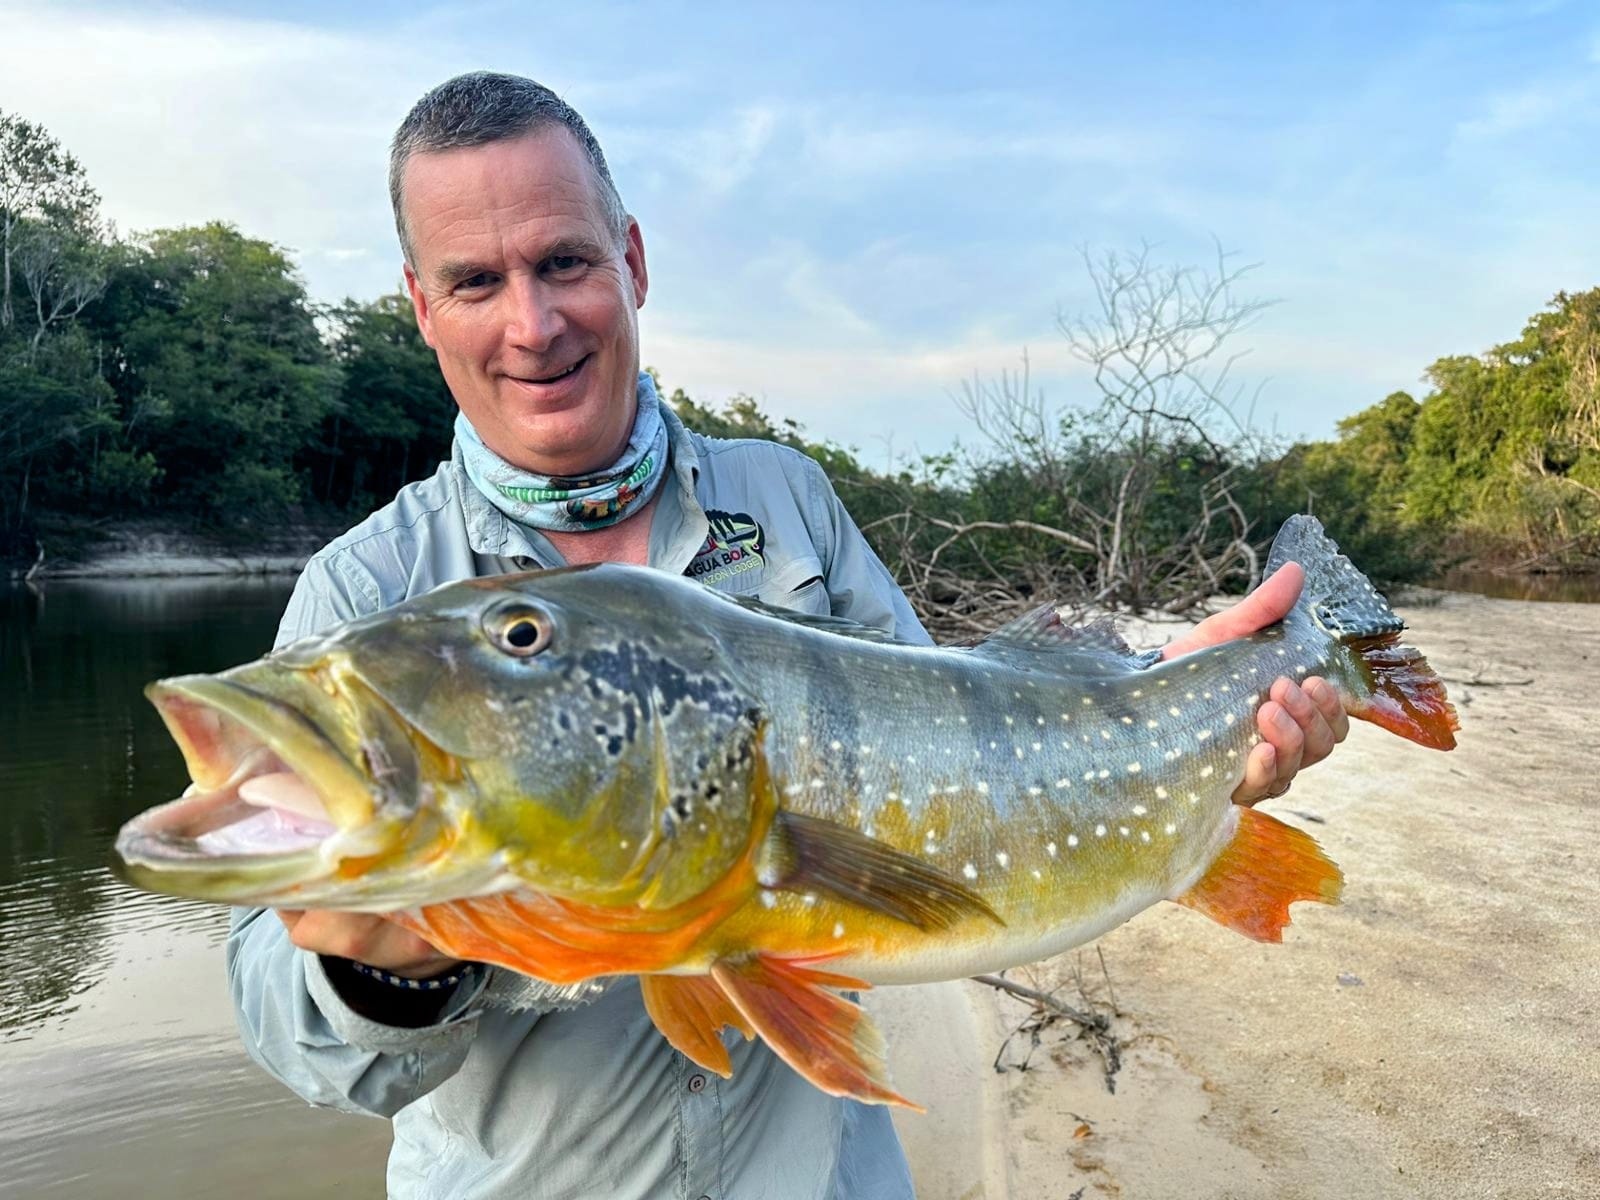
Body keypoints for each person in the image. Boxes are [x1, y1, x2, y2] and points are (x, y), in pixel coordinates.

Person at [228, 72, 1349, 1200]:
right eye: (476, 281)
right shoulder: (363, 599)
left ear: (632, 262)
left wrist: (1188, 722)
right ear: (422, 307)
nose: (532, 324)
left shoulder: (787, 497)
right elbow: (298, 1042)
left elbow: (969, 744)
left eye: (564, 261)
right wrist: (397, 965)